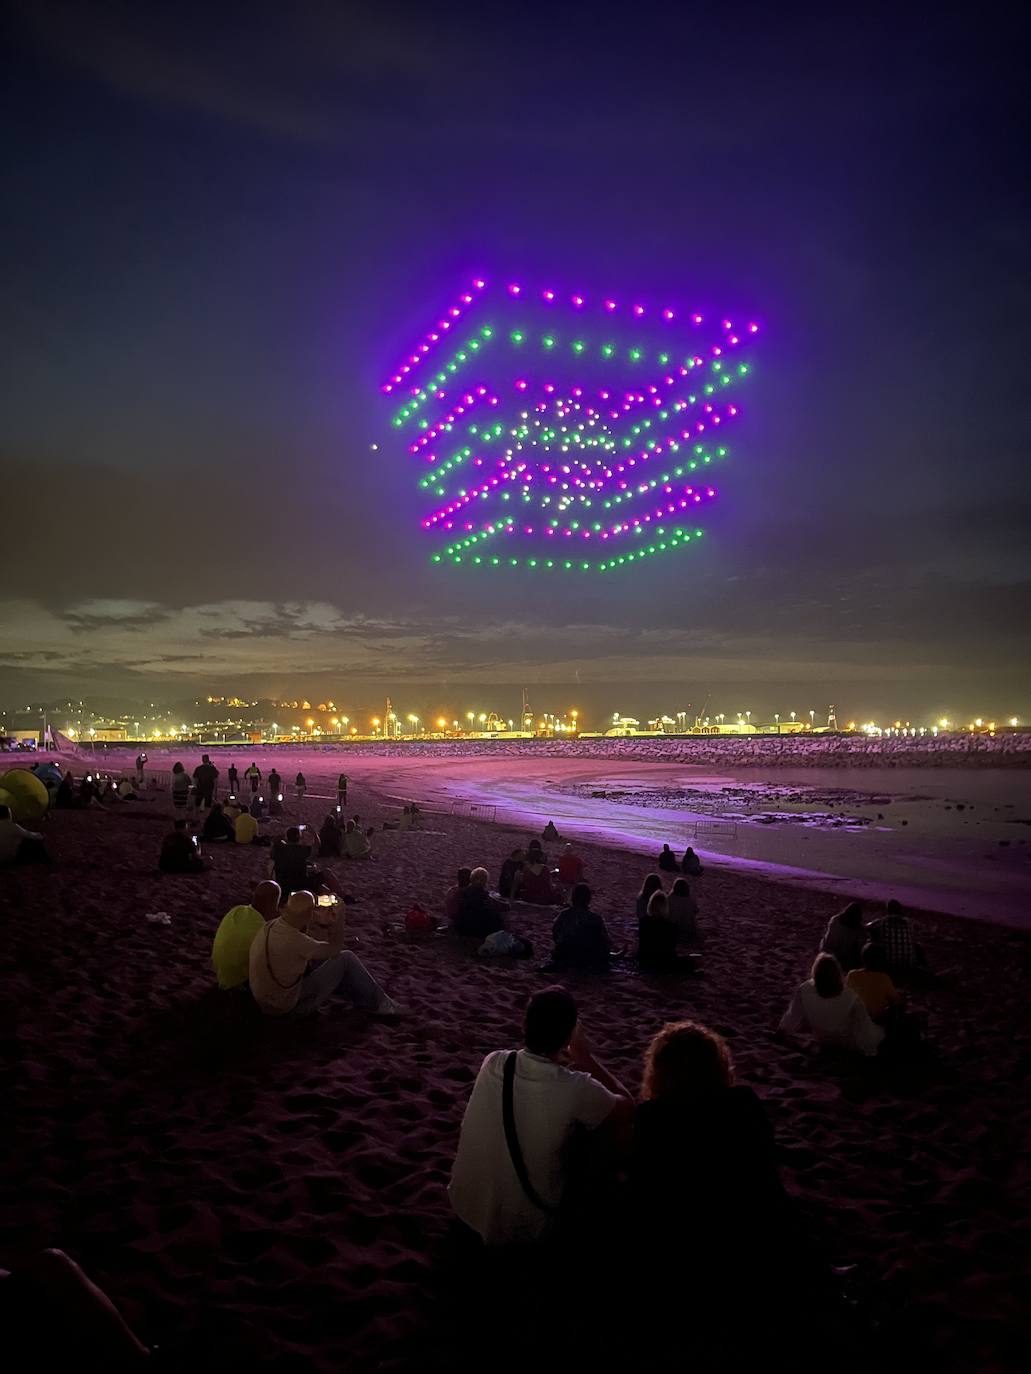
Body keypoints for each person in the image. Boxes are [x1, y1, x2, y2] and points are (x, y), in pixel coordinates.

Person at [449, 986, 633, 1245]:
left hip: (466, 1206)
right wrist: (585, 1057)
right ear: (568, 1036)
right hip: (526, 1226)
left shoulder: (494, 1062)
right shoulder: (575, 1087)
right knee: (603, 1128)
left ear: (524, 1025)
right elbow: (627, 1107)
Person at [248, 889, 398, 1018]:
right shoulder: (297, 941)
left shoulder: (270, 926)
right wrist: (339, 919)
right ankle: (383, 1005)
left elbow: (305, 941)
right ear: (309, 915)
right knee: (346, 959)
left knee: (320, 961)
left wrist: (312, 918)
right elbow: (335, 949)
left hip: (265, 1001)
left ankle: (363, 998)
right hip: (285, 1008)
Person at [779, 953, 884, 1056]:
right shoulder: (850, 997)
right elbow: (864, 1029)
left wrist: (783, 1029)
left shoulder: (804, 990)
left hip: (822, 1038)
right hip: (845, 1042)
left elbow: (793, 1015)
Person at [211, 880, 281, 990]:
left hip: (220, 974)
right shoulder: (263, 931)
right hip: (239, 985)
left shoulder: (237, 910)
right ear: (272, 905)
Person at [550, 883, 610, 971]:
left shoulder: (563, 915)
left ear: (573, 898)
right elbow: (605, 942)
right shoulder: (596, 918)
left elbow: (555, 935)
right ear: (588, 900)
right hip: (587, 957)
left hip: (564, 954)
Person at [867, 899, 929, 982]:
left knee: (870, 945)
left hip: (888, 967)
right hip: (908, 966)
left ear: (888, 910)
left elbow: (867, 927)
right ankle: (923, 968)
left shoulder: (880, 922)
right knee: (918, 946)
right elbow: (920, 928)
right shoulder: (909, 922)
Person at [638, 889, 697, 972]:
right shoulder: (671, 926)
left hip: (645, 961)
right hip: (664, 964)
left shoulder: (643, 922)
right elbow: (671, 949)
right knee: (693, 960)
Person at [846, 942, 903, 1021]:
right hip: (876, 1020)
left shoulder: (852, 975)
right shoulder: (884, 978)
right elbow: (896, 1000)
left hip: (854, 1019)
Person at [455, 867, 507, 939]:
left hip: (462, 926)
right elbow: (484, 911)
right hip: (475, 928)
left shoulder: (464, 892)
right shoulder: (483, 894)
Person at [271, 825, 318, 897]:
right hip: (300, 885)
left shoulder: (278, 850)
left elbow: (275, 842)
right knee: (325, 873)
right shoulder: (302, 850)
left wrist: (283, 838)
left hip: (283, 885)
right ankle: (341, 896)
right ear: (300, 838)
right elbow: (317, 846)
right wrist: (313, 832)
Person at [819, 901, 866, 972]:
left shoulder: (835, 920)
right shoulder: (859, 930)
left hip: (830, 953)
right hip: (846, 960)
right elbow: (859, 948)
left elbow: (828, 939)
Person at [667, 877, 699, 943]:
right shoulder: (690, 899)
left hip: (673, 927)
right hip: (688, 927)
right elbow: (696, 911)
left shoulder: (670, 898)